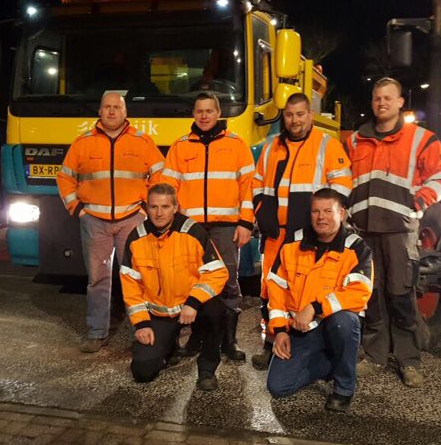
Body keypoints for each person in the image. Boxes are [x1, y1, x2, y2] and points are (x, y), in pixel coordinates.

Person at [344, 77, 441, 387]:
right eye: (377, 98)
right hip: (365, 231)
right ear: (372, 102)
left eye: (388, 98)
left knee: (401, 293)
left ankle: (408, 360)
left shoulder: (421, 139)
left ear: (400, 102)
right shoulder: (355, 141)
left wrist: (417, 202)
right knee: (371, 294)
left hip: (399, 231)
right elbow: (341, 178)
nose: (382, 102)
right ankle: (375, 356)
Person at [250, 92, 353, 370]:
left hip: (307, 237)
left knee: (304, 290)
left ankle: (306, 343)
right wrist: (261, 210)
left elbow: (343, 188)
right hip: (276, 234)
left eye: (299, 114)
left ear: (310, 115)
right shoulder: (272, 147)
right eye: (289, 115)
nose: (294, 120)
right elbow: (256, 182)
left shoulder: (327, 145)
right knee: (270, 289)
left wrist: (321, 222)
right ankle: (271, 341)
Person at [57, 92, 165, 353]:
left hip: (132, 220)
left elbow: (160, 175)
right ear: (100, 111)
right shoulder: (83, 142)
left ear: (125, 112)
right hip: (94, 222)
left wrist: (146, 209)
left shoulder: (142, 141)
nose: (112, 111)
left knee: (138, 277)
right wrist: (78, 209)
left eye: (117, 107)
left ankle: (142, 331)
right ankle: (97, 333)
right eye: (107, 106)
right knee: (97, 280)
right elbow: (65, 178)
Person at [160, 91, 255, 362]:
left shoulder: (237, 145)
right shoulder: (179, 147)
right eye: (199, 111)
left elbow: (249, 187)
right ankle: (197, 337)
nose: (204, 116)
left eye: (209, 111)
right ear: (193, 114)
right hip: (191, 228)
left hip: (227, 226)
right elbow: (168, 188)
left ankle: (229, 340)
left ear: (218, 113)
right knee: (192, 281)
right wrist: (172, 223)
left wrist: (246, 222)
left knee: (228, 281)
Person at [266, 188, 373, 412]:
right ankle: (331, 363)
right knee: (278, 387)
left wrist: (315, 307)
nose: (321, 217)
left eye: (328, 211)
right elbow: (276, 288)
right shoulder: (292, 243)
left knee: (345, 321)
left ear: (341, 213)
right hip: (301, 328)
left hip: (335, 325)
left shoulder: (356, 248)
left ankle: (344, 387)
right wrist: (280, 330)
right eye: (316, 211)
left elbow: (359, 292)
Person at [120, 183, 228, 390]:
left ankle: (207, 369)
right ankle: (169, 348)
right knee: (142, 372)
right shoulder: (136, 239)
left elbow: (217, 272)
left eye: (165, 207)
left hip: (191, 307)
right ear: (146, 208)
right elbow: (130, 286)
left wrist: (193, 302)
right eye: (154, 207)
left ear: (176, 207)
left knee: (216, 311)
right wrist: (141, 324)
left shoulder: (194, 232)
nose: (159, 213)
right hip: (160, 313)